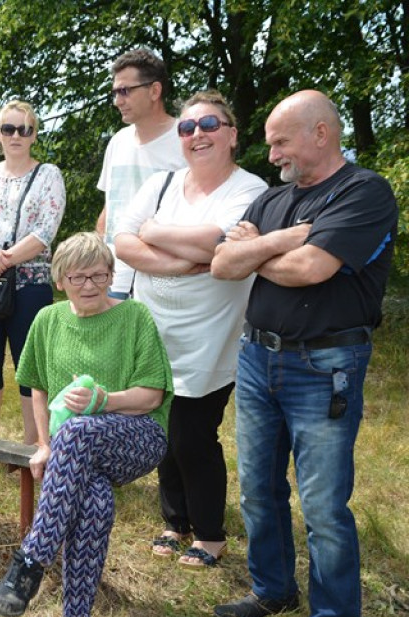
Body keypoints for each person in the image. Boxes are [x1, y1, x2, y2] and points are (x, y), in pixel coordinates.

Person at [210, 90, 397, 617]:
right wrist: (288, 238)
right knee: (259, 491)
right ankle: (273, 590)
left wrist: (255, 252)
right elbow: (221, 265)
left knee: (322, 503)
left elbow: (312, 269)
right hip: (257, 358)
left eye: (280, 140)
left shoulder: (364, 193)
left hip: (326, 366)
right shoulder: (274, 201)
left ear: (321, 133)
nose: (271, 153)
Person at [0, 232, 173, 617]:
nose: (90, 284)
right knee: (93, 501)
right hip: (75, 449)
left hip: (138, 437)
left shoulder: (135, 316)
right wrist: (45, 443)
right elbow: (36, 386)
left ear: (111, 275)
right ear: (60, 280)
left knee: (82, 428)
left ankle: (30, 561)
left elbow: (151, 396)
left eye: (100, 275)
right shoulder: (47, 320)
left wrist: (103, 400)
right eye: (78, 276)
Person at [114, 90, 267, 567]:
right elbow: (122, 240)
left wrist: (155, 232)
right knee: (162, 423)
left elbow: (215, 241)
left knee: (193, 434)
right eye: (186, 127)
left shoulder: (250, 190)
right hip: (154, 325)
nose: (196, 135)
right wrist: (182, 264)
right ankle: (175, 521)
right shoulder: (161, 184)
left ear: (232, 135)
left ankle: (210, 533)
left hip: (210, 334)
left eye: (208, 125)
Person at [0, 101, 65, 459]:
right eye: (9, 129)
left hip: (30, 281)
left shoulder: (49, 174)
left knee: (30, 365)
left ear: (34, 134)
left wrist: (1, 259)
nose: (16, 136)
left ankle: (31, 446)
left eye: (25, 129)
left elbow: (44, 232)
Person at [97, 49, 186, 298]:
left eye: (125, 91)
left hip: (166, 279)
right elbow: (108, 210)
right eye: (115, 92)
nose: (117, 101)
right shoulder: (118, 141)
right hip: (115, 278)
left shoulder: (188, 139)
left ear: (155, 91)